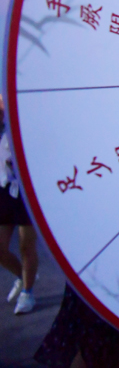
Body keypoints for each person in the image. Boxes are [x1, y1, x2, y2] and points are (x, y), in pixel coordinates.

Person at [0, 95, 38, 315]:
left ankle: (28, 292)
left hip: (26, 190)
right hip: (4, 187)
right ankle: (22, 276)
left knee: (26, 245)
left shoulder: (24, 118)